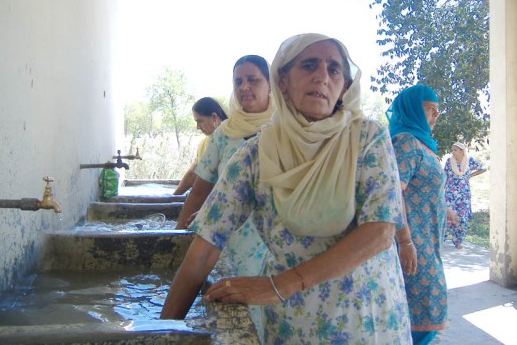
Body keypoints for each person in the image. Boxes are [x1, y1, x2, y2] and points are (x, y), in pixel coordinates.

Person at [162, 33, 412, 344]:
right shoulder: (256, 155)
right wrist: (163, 333)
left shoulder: (368, 139)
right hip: (294, 325)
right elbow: (205, 247)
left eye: (334, 69)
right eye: (309, 65)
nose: (322, 76)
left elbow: (379, 232)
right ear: (282, 81)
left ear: (345, 86)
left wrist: (281, 285)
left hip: (368, 319)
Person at [174, 54, 274, 339]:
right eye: (238, 81)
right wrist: (176, 237)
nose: (245, 87)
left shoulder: (285, 131)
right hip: (230, 242)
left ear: (271, 85)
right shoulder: (224, 135)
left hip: (272, 244)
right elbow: (199, 190)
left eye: (253, 79)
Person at [387, 84, 459, 344]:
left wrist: (444, 208)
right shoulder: (405, 142)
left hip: (428, 241)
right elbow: (392, 194)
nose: (436, 115)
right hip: (414, 242)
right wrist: (405, 241)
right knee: (425, 309)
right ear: (413, 110)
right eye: (430, 109)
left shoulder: (422, 144)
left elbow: (421, 187)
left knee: (423, 309)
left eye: (437, 109)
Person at [173, 97, 228, 195]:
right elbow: (192, 174)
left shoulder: (230, 140)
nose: (198, 127)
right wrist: (174, 196)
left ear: (214, 117)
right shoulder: (205, 142)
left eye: (200, 121)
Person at [444, 142, 486, 249]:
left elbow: (483, 168)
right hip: (450, 193)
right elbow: (445, 175)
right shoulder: (449, 161)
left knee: (462, 217)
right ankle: (441, 239)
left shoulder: (469, 161)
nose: (453, 152)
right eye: (452, 150)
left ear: (462, 151)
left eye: (455, 150)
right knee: (447, 215)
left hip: (464, 194)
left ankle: (458, 241)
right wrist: (442, 189)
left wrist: (470, 175)